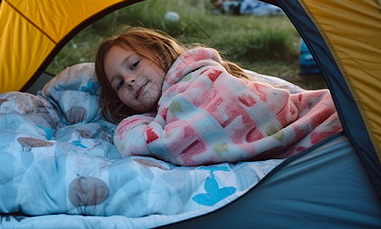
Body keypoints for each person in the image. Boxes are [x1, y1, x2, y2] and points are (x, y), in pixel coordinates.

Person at [95, 27, 342, 166]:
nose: (129, 80)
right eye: (118, 84)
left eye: (134, 65)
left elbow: (246, 100)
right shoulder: (155, 117)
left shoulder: (198, 73)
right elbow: (138, 140)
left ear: (159, 51)